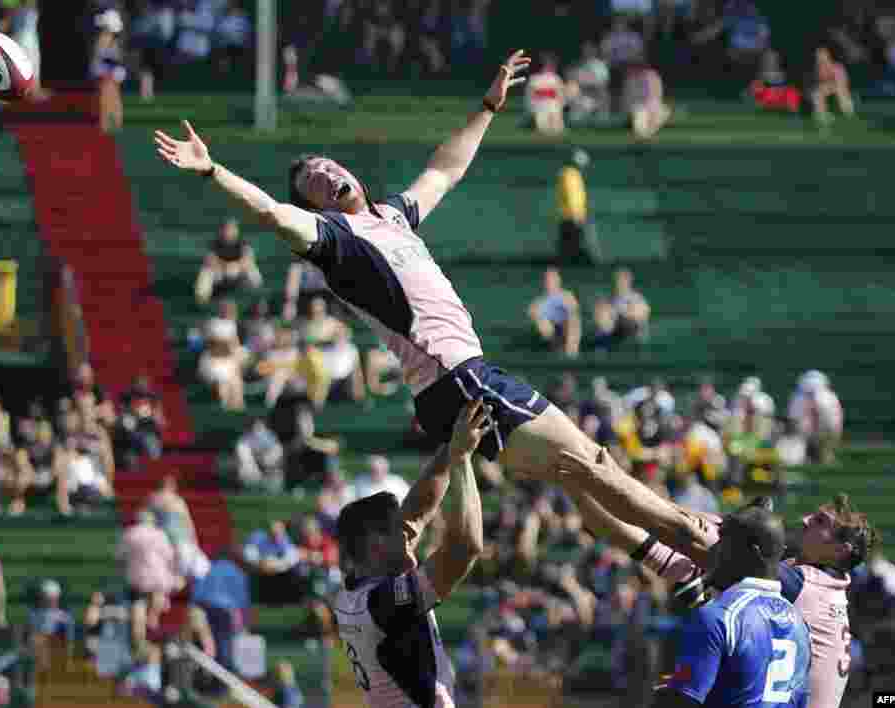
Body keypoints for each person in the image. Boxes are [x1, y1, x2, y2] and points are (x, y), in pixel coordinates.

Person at [154, 50, 670, 526]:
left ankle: (679, 557)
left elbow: (445, 170)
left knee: (581, 470)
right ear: (314, 205)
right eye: (313, 179)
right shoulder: (332, 237)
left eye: (328, 165)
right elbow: (268, 211)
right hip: (456, 374)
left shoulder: (394, 216)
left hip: (451, 381)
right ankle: (701, 541)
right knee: (588, 463)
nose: (326, 172)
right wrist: (212, 171)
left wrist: (489, 106)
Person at [559, 448, 875, 708]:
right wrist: (589, 487)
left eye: (820, 521)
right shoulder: (797, 583)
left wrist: (615, 484)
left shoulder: (800, 585)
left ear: (840, 550)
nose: (805, 520)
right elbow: (660, 538)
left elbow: (693, 533)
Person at [329, 399, 488, 707]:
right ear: (376, 543)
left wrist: (451, 444)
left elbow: (417, 511)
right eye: (397, 531)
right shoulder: (383, 603)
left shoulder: (361, 587)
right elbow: (466, 546)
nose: (409, 535)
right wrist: (462, 458)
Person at [654, 505, 811, 708]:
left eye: (724, 544)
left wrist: (669, 695)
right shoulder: (800, 624)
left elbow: (682, 703)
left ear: (751, 553)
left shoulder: (719, 615)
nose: (714, 553)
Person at [527, 268, 581, 356]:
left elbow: (573, 309)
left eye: (553, 279)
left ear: (559, 280)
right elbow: (532, 312)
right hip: (551, 330)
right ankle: (558, 350)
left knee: (573, 320)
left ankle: (571, 353)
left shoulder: (567, 295)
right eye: (547, 279)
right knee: (542, 322)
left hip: (565, 326)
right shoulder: (540, 301)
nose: (550, 282)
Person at [811, 47, 856, 127]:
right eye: (818, 57)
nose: (820, 59)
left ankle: (848, 112)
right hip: (828, 89)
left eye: (822, 56)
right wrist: (823, 87)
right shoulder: (818, 69)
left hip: (840, 88)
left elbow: (843, 82)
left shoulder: (837, 66)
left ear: (828, 56)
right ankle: (822, 116)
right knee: (816, 93)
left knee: (839, 90)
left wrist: (832, 85)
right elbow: (818, 83)